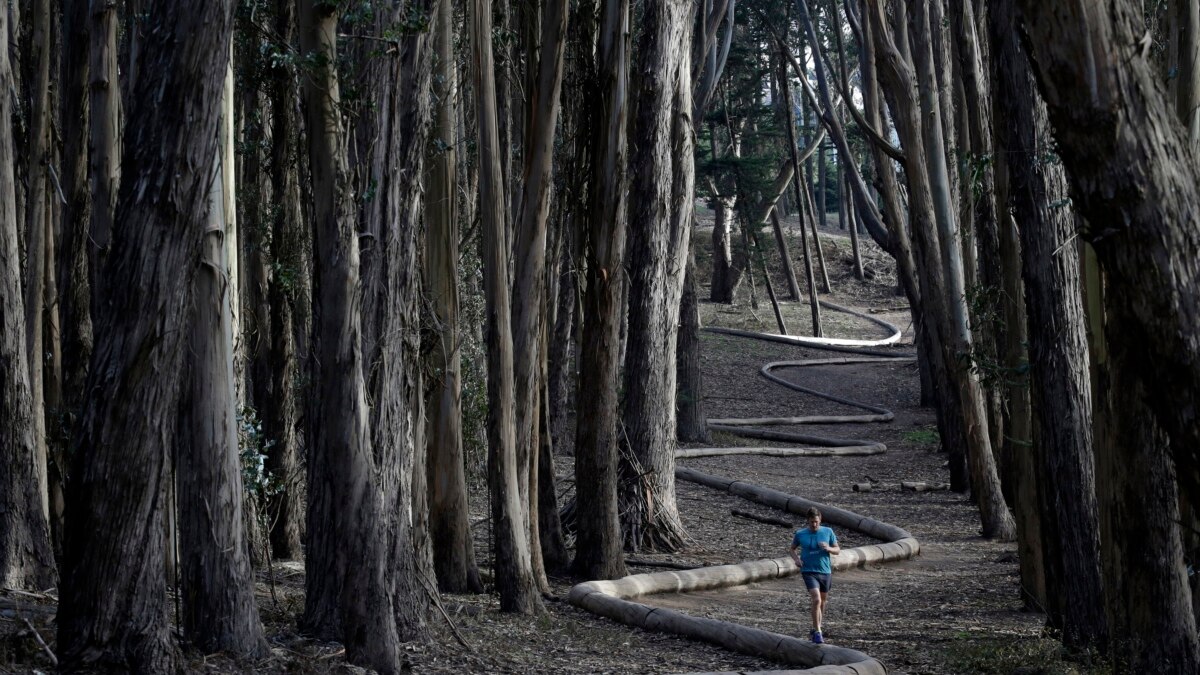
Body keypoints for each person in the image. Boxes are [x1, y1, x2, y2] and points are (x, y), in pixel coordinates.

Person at [790, 506, 840, 644]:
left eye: (816, 522)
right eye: (812, 522)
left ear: (820, 520)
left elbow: (837, 550)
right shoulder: (801, 534)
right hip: (808, 571)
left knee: (823, 601)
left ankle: (816, 627)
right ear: (808, 521)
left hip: (825, 570)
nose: (814, 524)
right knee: (816, 599)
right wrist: (796, 560)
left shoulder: (828, 531)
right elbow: (792, 549)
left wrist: (828, 548)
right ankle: (818, 632)